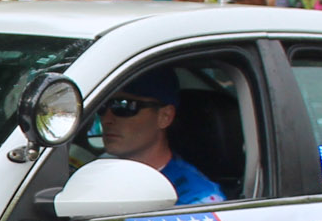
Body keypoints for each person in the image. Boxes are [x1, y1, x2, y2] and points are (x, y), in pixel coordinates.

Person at [96, 67, 225, 205]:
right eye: (102, 106)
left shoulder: (196, 198)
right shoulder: (98, 169)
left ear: (165, 116)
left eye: (124, 106)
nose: (106, 119)